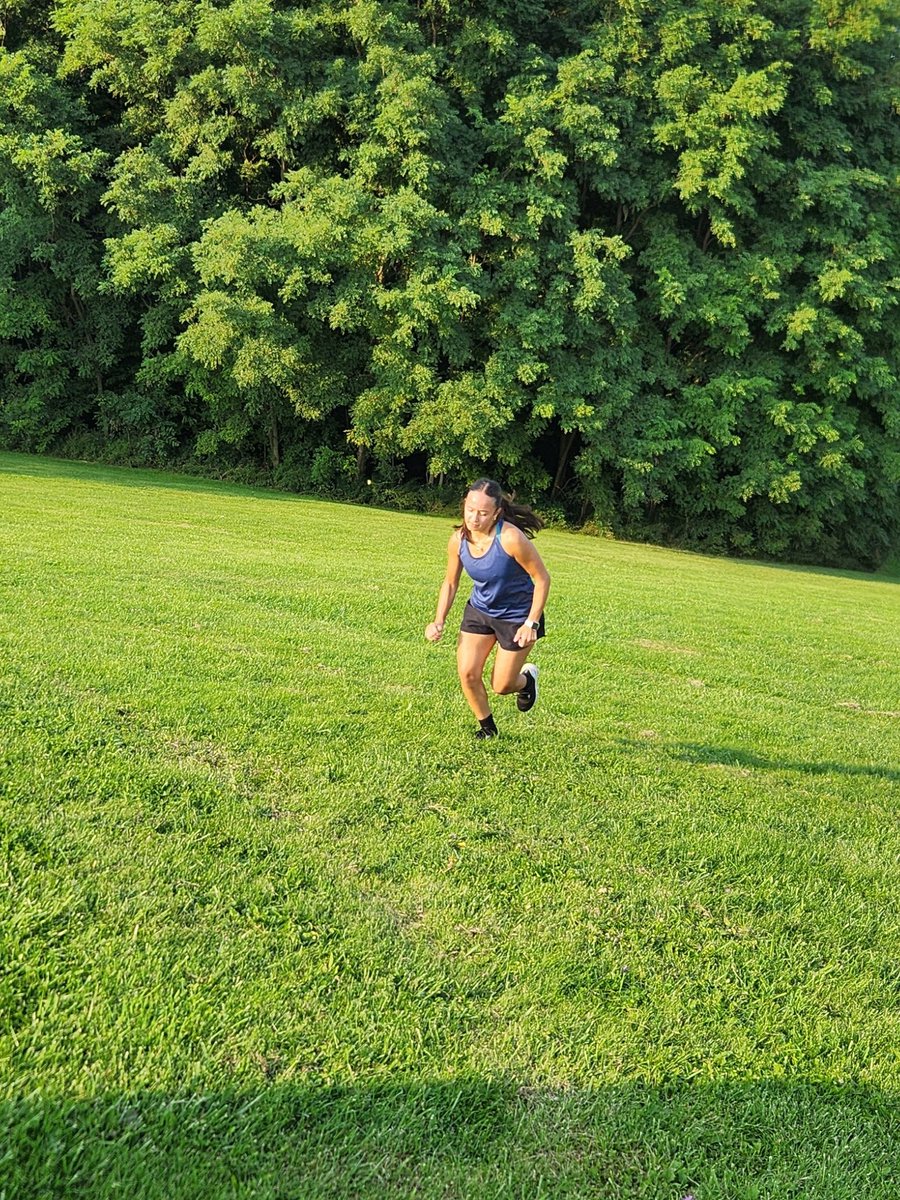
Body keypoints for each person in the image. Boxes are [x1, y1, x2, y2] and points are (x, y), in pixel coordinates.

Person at [425, 478, 550, 739]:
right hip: (480, 611)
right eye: (470, 509)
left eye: (482, 512)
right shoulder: (458, 540)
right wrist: (438, 620)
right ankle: (487, 729)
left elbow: (542, 579)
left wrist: (531, 623)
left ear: (496, 513)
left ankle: (526, 681)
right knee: (468, 673)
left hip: (517, 617)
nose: (474, 518)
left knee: (502, 685)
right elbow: (450, 582)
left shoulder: (510, 538)